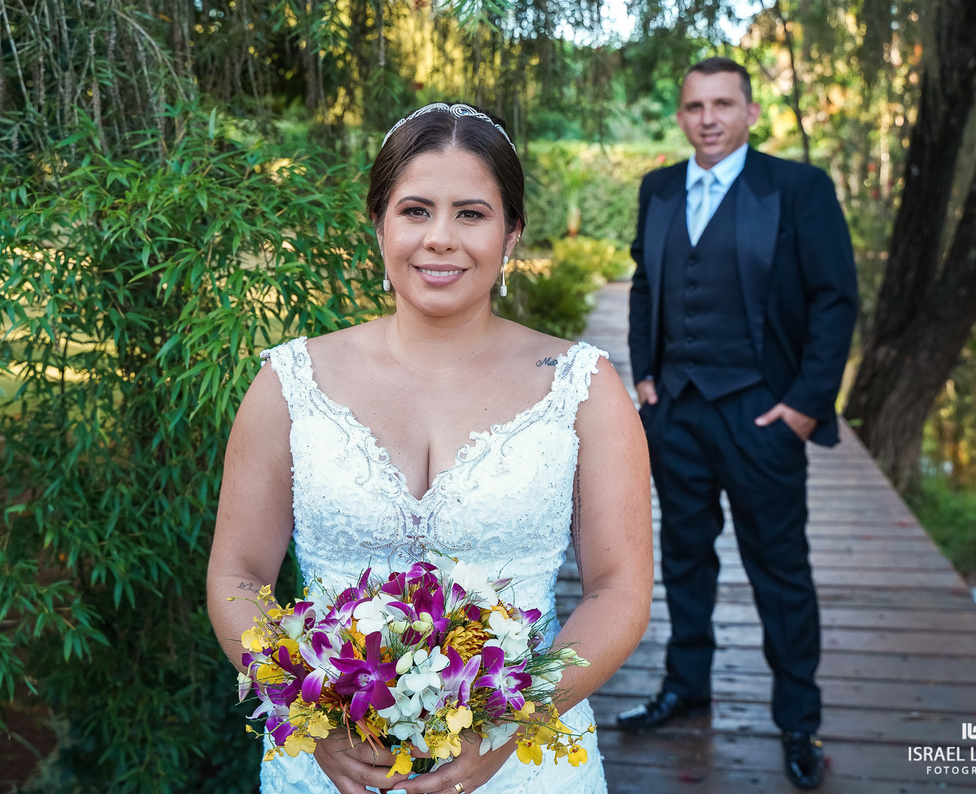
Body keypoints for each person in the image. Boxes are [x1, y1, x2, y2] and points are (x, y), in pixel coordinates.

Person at [208, 102, 654, 794]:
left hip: (523, 768)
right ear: (379, 226)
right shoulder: (289, 384)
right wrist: (310, 715)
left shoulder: (585, 389)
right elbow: (236, 575)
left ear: (511, 236)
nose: (440, 238)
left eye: (471, 214)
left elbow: (619, 590)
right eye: (415, 210)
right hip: (329, 767)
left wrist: (509, 726)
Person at [615, 58, 858, 791]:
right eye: (694, 106)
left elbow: (834, 300)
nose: (709, 118)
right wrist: (646, 377)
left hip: (762, 415)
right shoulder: (658, 188)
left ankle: (797, 720)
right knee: (685, 558)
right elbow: (646, 286)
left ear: (751, 112)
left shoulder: (796, 189)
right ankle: (686, 685)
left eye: (723, 104)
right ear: (682, 116)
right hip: (677, 414)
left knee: (779, 571)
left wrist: (803, 408)